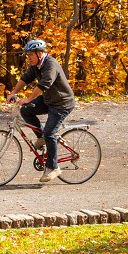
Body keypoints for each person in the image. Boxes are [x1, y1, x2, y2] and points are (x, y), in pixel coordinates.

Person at [7, 39, 76, 183]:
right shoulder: (36, 65)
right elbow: (25, 79)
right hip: (48, 100)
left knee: (50, 132)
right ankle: (41, 137)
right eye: (27, 55)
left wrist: (29, 98)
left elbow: (44, 85)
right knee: (26, 111)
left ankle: (53, 167)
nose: (28, 58)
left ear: (40, 53)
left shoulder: (50, 64)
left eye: (30, 55)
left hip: (62, 104)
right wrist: (13, 92)